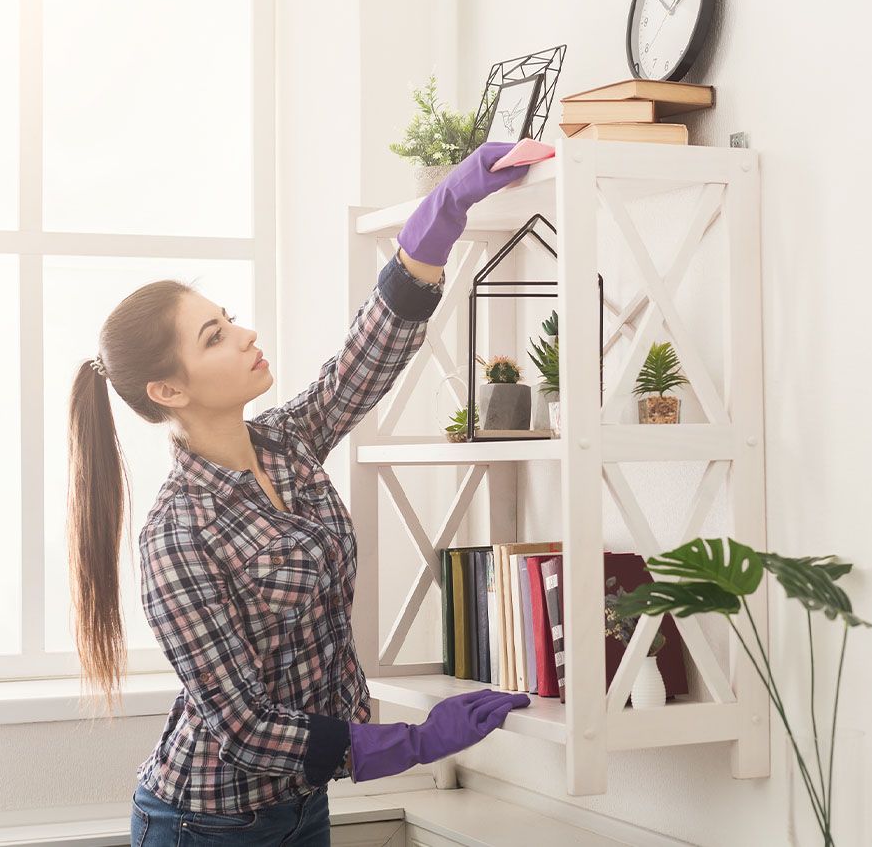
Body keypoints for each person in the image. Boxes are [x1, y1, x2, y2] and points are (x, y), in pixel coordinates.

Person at [64, 142, 533, 846]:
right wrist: (414, 743)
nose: (246, 333)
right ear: (169, 390)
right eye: (216, 336)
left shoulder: (285, 443)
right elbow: (243, 725)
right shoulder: (178, 534)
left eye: (229, 317)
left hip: (302, 803)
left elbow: (363, 363)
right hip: (207, 821)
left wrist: (442, 213)